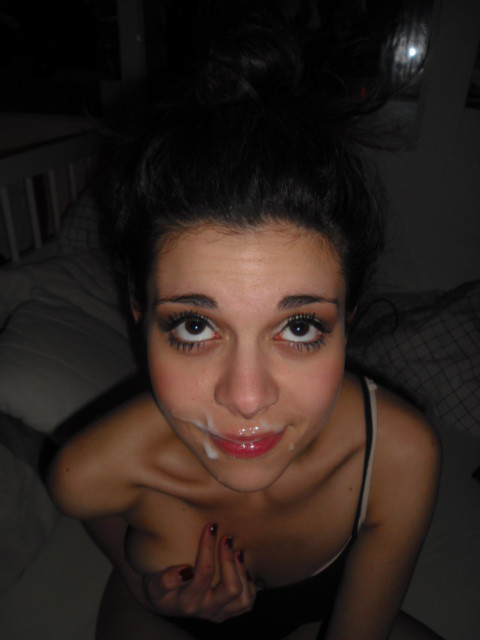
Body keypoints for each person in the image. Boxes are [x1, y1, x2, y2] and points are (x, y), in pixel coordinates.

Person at [48, 8, 442, 640]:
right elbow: (97, 521)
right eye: (195, 327)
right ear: (139, 317)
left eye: (300, 327)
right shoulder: (87, 471)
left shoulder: (398, 457)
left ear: (349, 323)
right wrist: (149, 587)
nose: (248, 397)